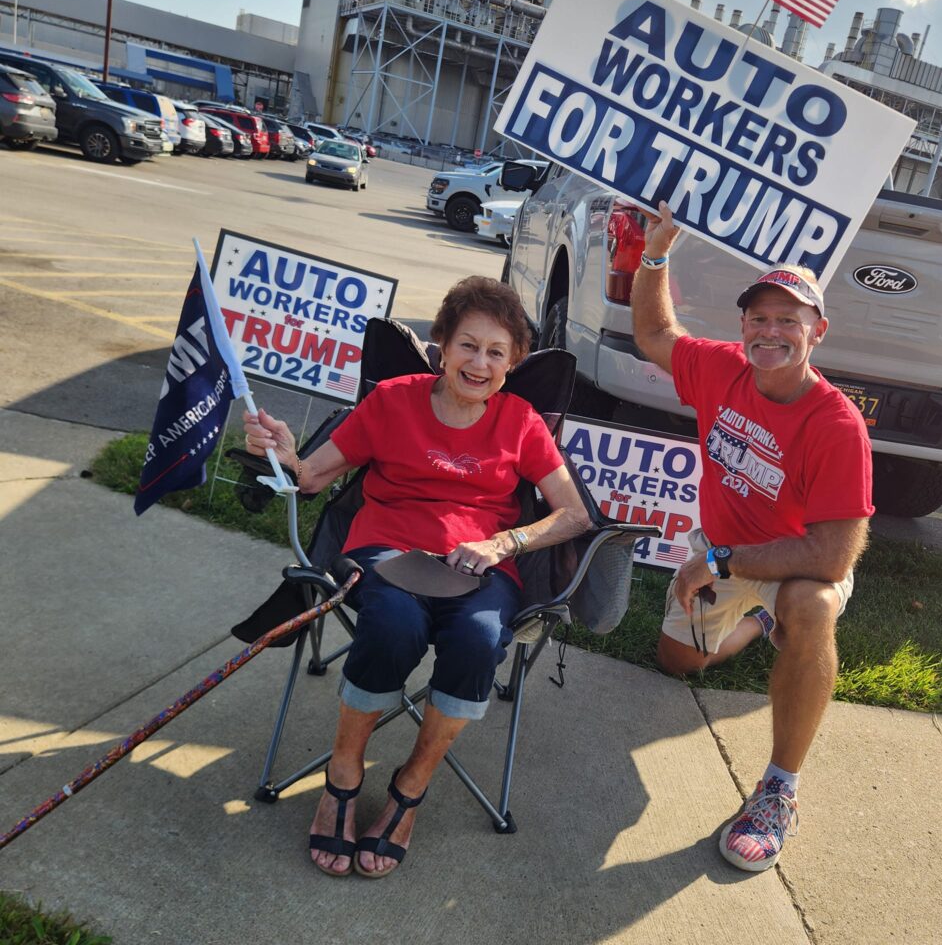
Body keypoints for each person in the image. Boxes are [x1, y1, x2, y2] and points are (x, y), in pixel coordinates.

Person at [243, 276, 590, 879]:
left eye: (496, 353)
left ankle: (412, 783)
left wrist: (505, 541)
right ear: (442, 345)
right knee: (392, 624)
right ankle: (345, 772)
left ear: (512, 364)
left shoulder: (521, 421)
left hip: (480, 564)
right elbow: (311, 476)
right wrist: (281, 451)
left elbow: (574, 513)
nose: (479, 363)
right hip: (387, 550)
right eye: (467, 345)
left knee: (478, 642)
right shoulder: (393, 399)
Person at [630, 202, 873, 873]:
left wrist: (717, 559)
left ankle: (779, 790)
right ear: (743, 325)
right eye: (759, 319)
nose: (770, 332)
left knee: (811, 605)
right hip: (723, 552)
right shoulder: (722, 368)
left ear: (817, 331)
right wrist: (656, 254)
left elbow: (833, 555)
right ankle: (759, 621)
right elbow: (654, 332)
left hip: (790, 563)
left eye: (787, 321)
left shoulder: (837, 425)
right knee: (679, 664)